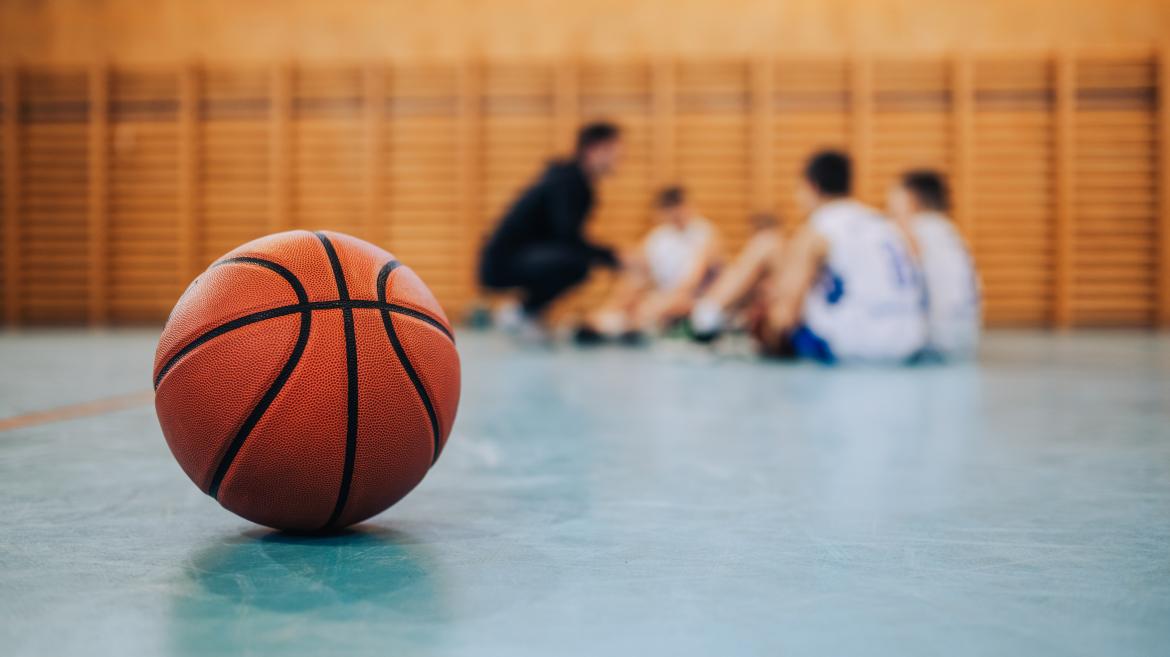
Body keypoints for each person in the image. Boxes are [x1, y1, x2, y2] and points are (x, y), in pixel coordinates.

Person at [693, 150, 927, 363]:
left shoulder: (819, 229)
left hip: (855, 346)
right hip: (908, 343)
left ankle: (702, 321)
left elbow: (785, 316)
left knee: (767, 244)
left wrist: (765, 331)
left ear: (811, 187)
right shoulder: (885, 224)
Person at [479, 122, 623, 338]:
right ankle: (520, 312)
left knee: (577, 260)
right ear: (596, 148)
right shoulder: (568, 182)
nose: (620, 158)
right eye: (615, 151)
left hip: (521, 257)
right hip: (501, 263)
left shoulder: (573, 180)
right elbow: (568, 238)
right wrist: (613, 257)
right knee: (577, 262)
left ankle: (525, 312)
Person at [576, 186, 720, 343]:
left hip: (697, 298)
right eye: (669, 212)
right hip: (664, 298)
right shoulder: (658, 237)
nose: (675, 216)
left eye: (678, 210)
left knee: (657, 304)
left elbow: (692, 282)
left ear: (687, 207)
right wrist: (619, 302)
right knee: (635, 280)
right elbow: (638, 272)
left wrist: (657, 301)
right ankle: (608, 317)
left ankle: (625, 325)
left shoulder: (705, 233)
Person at [887, 170, 981, 359]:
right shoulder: (947, 231)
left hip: (935, 341)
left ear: (911, 198)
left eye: (894, 197)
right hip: (965, 336)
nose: (889, 205)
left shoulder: (914, 231)